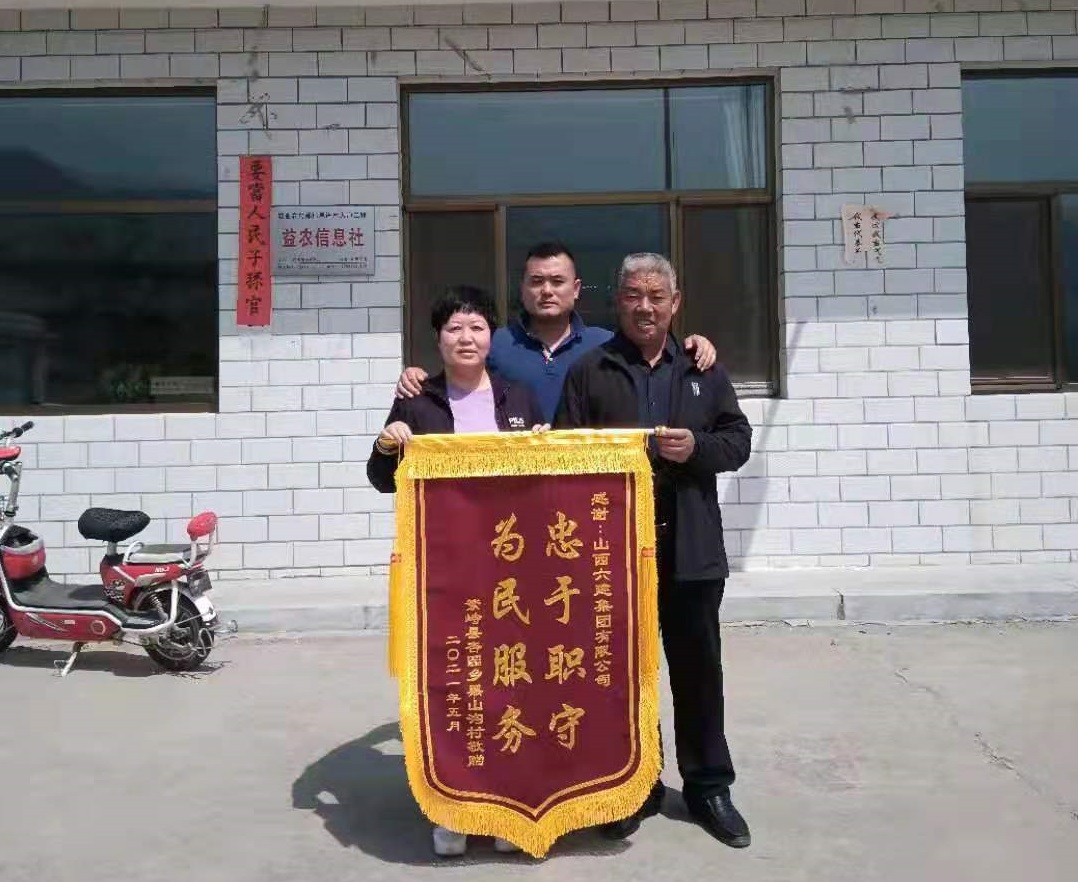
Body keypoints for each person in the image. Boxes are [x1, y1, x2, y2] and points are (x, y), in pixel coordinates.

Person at [553, 253, 753, 849]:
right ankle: (631, 785)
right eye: (634, 295)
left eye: (656, 296)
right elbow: (562, 455)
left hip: (691, 550)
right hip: (612, 557)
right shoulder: (590, 371)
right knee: (620, 675)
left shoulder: (702, 368)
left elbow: (738, 441)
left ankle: (709, 787)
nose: (645, 307)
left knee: (698, 671)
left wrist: (696, 449)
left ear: (675, 302)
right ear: (618, 301)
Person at [366, 285, 542, 858]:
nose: (466, 338)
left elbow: (549, 480)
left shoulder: (519, 396)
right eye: (454, 328)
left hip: (510, 571)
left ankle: (505, 805)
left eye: (476, 327)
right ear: (438, 339)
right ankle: (452, 809)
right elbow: (381, 479)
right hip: (443, 570)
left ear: (492, 337)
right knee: (453, 685)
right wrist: (388, 443)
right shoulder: (418, 401)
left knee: (510, 683)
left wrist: (543, 450)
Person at [394, 241, 718, 424]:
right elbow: (459, 378)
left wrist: (694, 344)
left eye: (557, 281)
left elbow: (654, 352)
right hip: (517, 483)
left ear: (575, 289)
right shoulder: (497, 343)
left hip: (587, 485)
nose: (547, 290)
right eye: (537, 281)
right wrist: (418, 377)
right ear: (522, 289)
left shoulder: (606, 345)